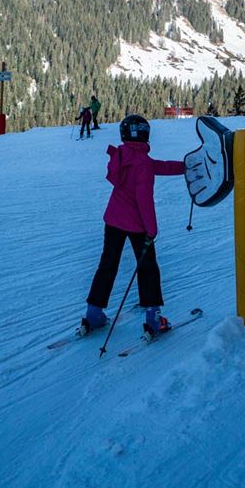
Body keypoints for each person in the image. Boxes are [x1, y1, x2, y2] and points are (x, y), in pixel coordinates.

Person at [80, 114, 185, 338]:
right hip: (138, 225)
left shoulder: (123, 155)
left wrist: (185, 167)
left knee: (107, 265)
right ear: (144, 134)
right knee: (148, 267)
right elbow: (144, 199)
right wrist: (152, 229)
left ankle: (93, 314)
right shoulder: (143, 163)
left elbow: (160, 166)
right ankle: (153, 319)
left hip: (113, 219)